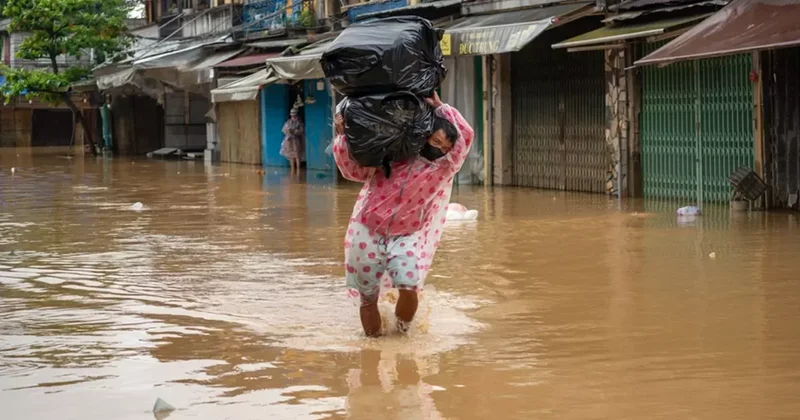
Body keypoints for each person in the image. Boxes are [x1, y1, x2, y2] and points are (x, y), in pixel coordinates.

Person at [332, 92, 474, 337]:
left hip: (405, 235)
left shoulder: (442, 170)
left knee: (409, 286)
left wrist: (441, 107)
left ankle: (401, 334)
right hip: (368, 230)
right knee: (368, 298)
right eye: (435, 142)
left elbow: (466, 136)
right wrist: (342, 136)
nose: (439, 150)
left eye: (444, 147)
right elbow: (351, 171)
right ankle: (374, 346)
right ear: (424, 138)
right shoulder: (391, 158)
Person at [280, 107, 304, 173]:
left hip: (295, 140)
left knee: (297, 155)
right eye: (292, 115)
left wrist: (294, 131)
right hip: (288, 141)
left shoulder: (299, 122)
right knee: (291, 156)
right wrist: (288, 131)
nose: (293, 116)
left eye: (295, 115)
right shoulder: (288, 122)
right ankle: (292, 170)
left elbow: (301, 131)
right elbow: (283, 130)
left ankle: (299, 170)